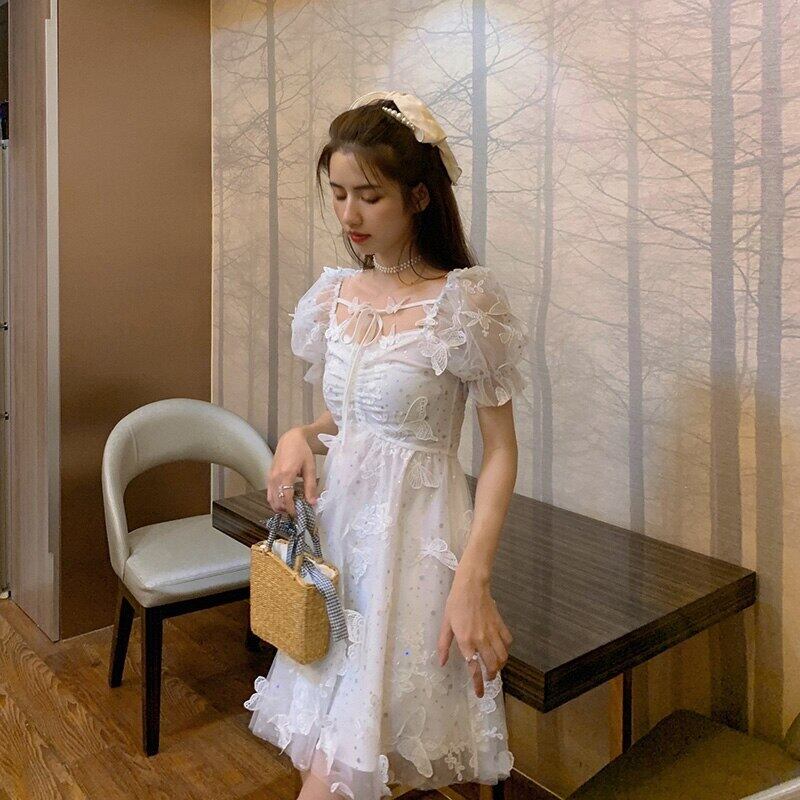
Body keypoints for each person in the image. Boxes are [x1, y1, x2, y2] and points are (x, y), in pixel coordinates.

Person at [244, 90, 528, 800]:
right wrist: (299, 435)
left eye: (369, 197)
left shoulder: (464, 305)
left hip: (416, 559)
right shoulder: (336, 297)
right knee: (335, 757)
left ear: (419, 197)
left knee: (347, 771)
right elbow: (355, 416)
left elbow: (500, 452)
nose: (349, 215)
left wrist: (474, 578)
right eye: (339, 194)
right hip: (339, 555)